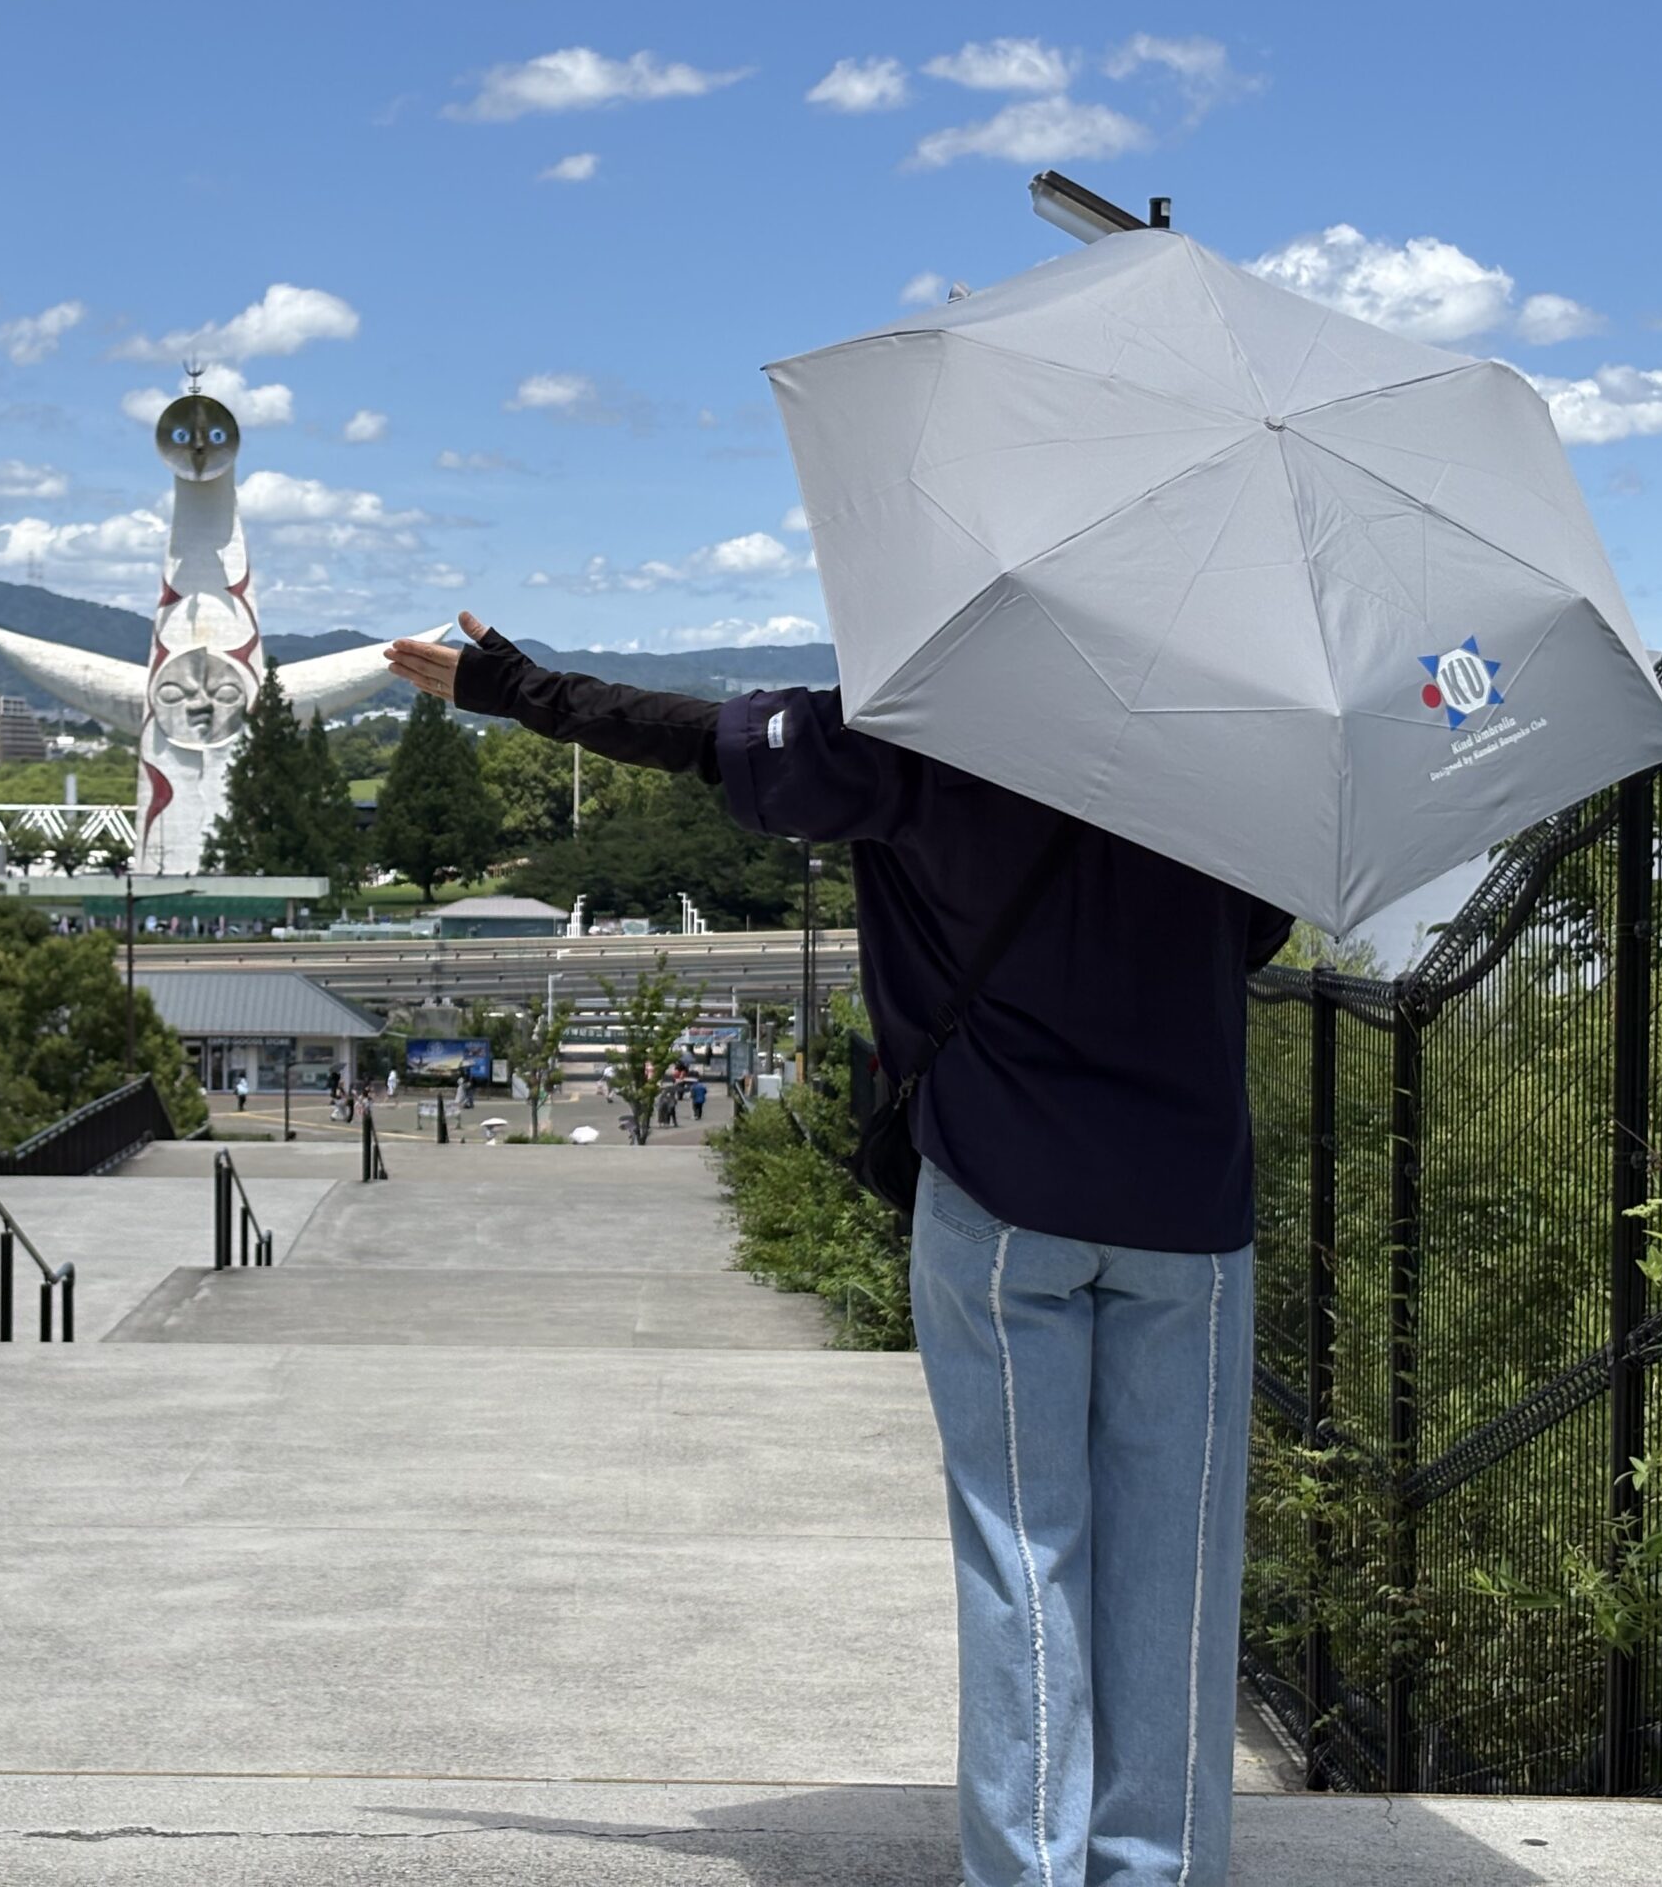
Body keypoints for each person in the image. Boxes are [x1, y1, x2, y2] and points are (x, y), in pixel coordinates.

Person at [389, 612, 1292, 1887]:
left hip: (1001, 1188)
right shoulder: (1229, 741)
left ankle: (1030, 1869)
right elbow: (1253, 935)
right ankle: (1160, 1869)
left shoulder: (933, 717)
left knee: (1021, 1547)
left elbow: (698, 740)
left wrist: (515, 686)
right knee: (1181, 1564)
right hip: (1189, 1203)